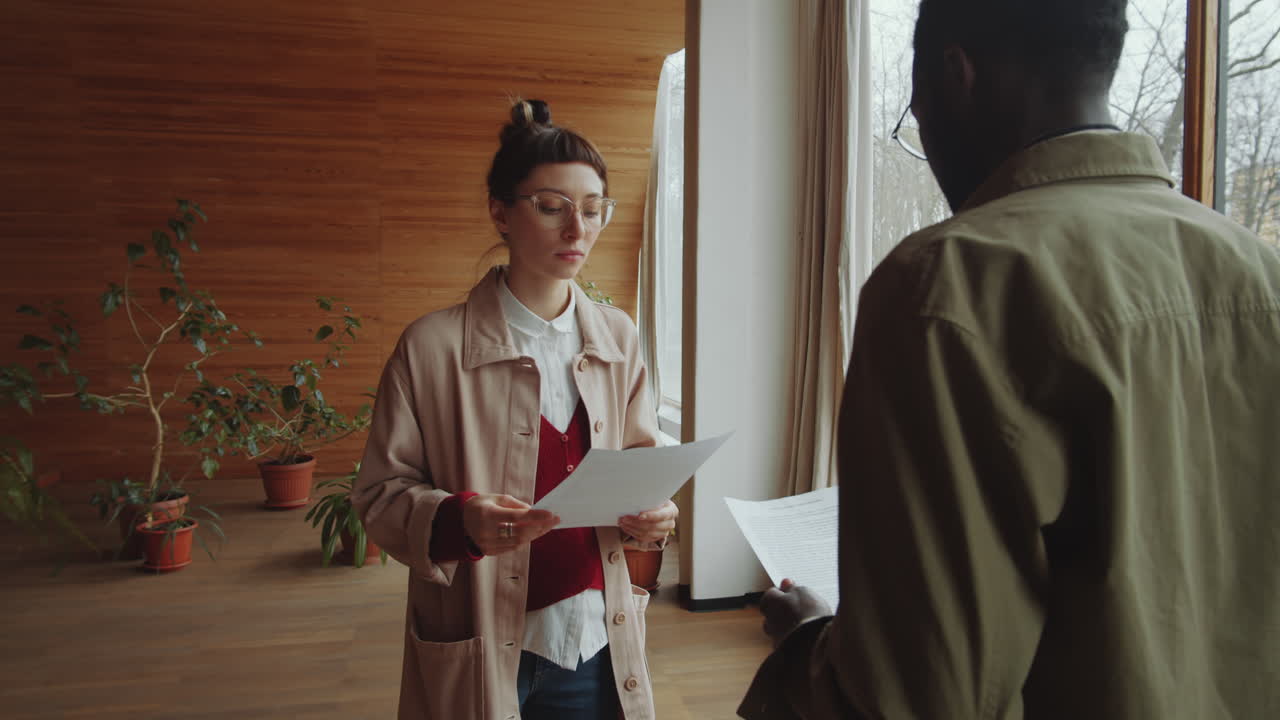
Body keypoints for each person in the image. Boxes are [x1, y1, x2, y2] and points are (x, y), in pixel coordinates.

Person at [742, 1, 1280, 718]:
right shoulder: (1260, 274)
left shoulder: (948, 288)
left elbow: (922, 696)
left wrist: (809, 639)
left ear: (955, 73)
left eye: (915, 113)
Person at [354, 98, 676, 720]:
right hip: (480, 641)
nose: (576, 230)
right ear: (500, 212)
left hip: (593, 638)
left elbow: (641, 461)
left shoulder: (617, 337)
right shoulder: (432, 347)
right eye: (552, 208)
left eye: (592, 210)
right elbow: (379, 494)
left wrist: (656, 513)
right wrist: (461, 519)